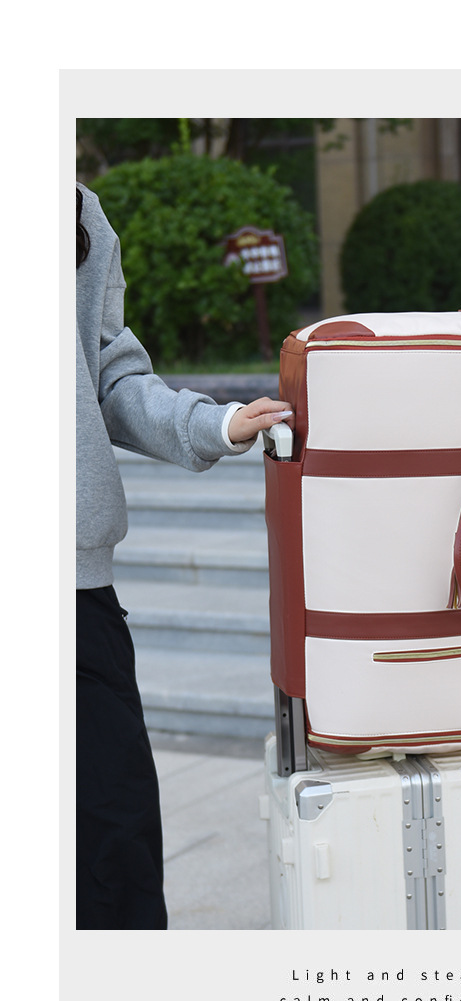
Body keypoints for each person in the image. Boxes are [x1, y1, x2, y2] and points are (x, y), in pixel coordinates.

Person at [76, 183, 293, 929]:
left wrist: (216, 424)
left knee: (113, 846)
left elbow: (108, 373)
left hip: (71, 592)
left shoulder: (72, 210)